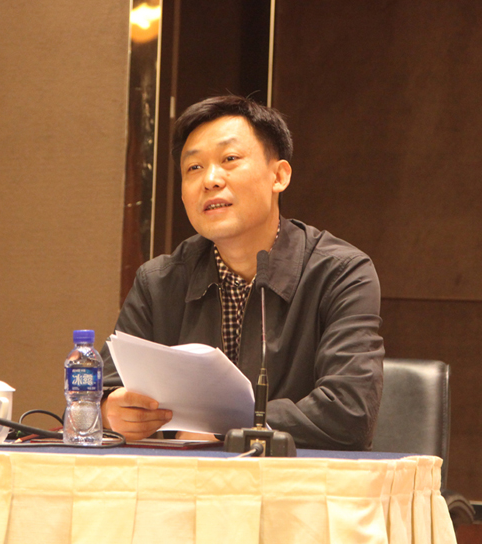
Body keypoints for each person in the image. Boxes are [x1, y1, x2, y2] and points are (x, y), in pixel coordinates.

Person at [100, 95, 384, 450]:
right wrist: (108, 412)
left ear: (279, 176)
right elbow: (97, 396)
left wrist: (227, 426)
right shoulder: (159, 282)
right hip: (187, 480)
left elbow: (350, 414)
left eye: (230, 159)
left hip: (297, 480)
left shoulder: (341, 274)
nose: (210, 180)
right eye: (194, 168)